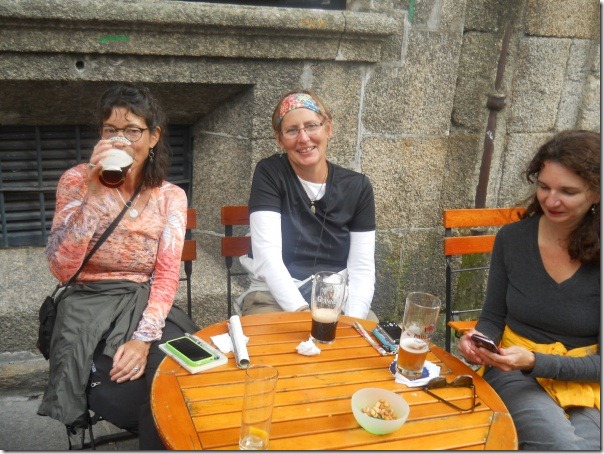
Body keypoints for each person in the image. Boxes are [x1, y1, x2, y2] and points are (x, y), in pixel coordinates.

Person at [37, 83, 198, 450]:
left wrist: (143, 339)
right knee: (137, 401)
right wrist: (94, 197)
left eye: (133, 130)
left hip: (145, 304)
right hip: (88, 308)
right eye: (111, 130)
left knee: (186, 376)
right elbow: (61, 269)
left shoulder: (170, 196)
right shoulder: (77, 181)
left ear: (154, 137)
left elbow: (166, 274)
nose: (121, 140)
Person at [456, 130, 600, 450]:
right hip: (514, 373)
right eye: (544, 186)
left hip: (584, 384)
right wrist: (478, 341)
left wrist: (536, 361)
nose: (551, 200)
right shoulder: (512, 238)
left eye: (568, 191)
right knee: (561, 447)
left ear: (596, 194)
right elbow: (493, 317)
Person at [235, 89, 377, 320]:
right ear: (280, 140)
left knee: (367, 337)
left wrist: (353, 321)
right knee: (275, 341)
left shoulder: (357, 187)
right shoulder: (270, 173)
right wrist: (302, 315)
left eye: (312, 126)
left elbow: (362, 269)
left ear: (328, 128)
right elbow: (267, 257)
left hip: (333, 298)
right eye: (292, 130)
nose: (303, 138)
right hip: (273, 296)